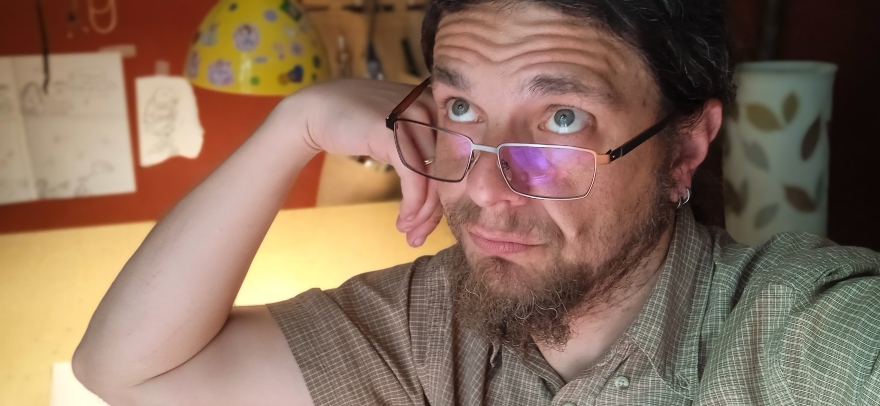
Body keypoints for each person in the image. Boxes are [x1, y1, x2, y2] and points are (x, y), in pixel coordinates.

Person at [72, 0, 880, 404]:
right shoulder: (427, 325)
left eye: (561, 119)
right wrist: (299, 124)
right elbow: (126, 370)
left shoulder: (805, 336)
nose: (487, 190)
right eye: (461, 108)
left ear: (687, 147)